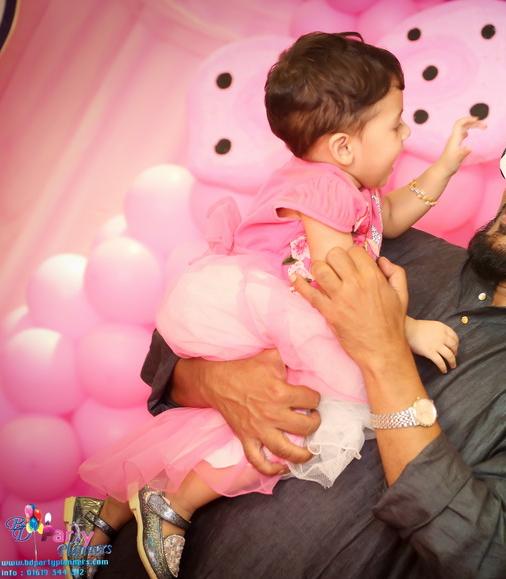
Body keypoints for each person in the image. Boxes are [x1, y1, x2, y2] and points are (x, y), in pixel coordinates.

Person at [95, 113, 506, 578]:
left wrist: (384, 356)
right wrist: (217, 382)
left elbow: (479, 554)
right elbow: (181, 340)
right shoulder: (387, 247)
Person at [63, 32, 483, 579]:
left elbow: (391, 219)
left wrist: (446, 165)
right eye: (396, 124)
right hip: (261, 306)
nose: (406, 135)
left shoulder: (337, 184)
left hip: (252, 307)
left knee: (225, 423)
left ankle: (105, 511)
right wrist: (407, 329)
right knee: (319, 415)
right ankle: (173, 505)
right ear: (344, 148)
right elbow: (340, 285)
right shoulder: (327, 190)